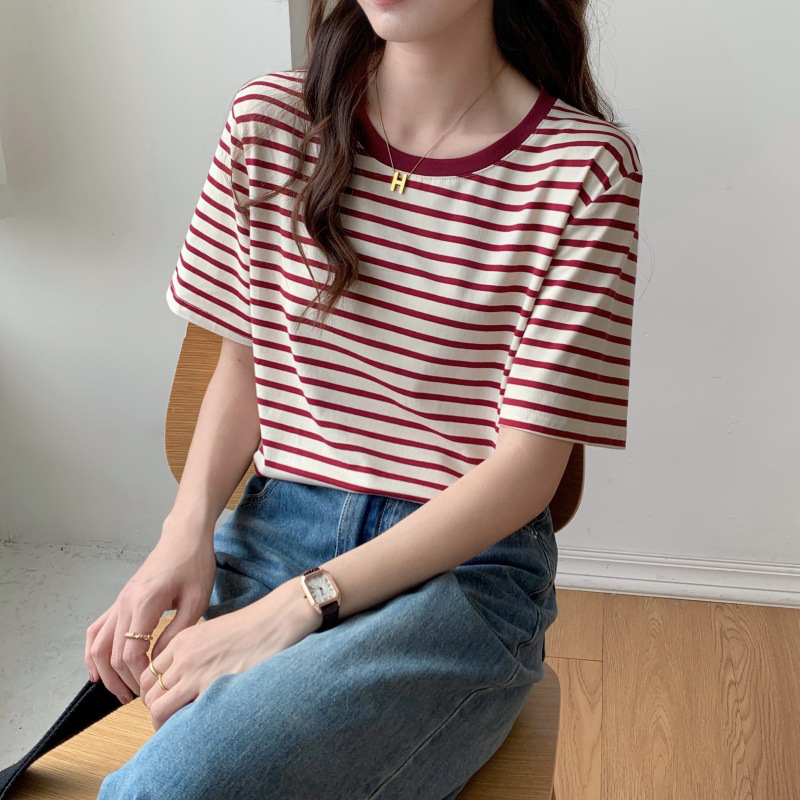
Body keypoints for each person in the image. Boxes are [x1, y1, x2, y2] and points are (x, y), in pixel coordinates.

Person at [91, 0, 642, 797]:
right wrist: (183, 534)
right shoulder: (270, 122)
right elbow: (248, 363)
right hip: (277, 527)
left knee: (172, 787)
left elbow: (528, 469)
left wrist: (300, 604)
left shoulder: (585, 170)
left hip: (462, 576)